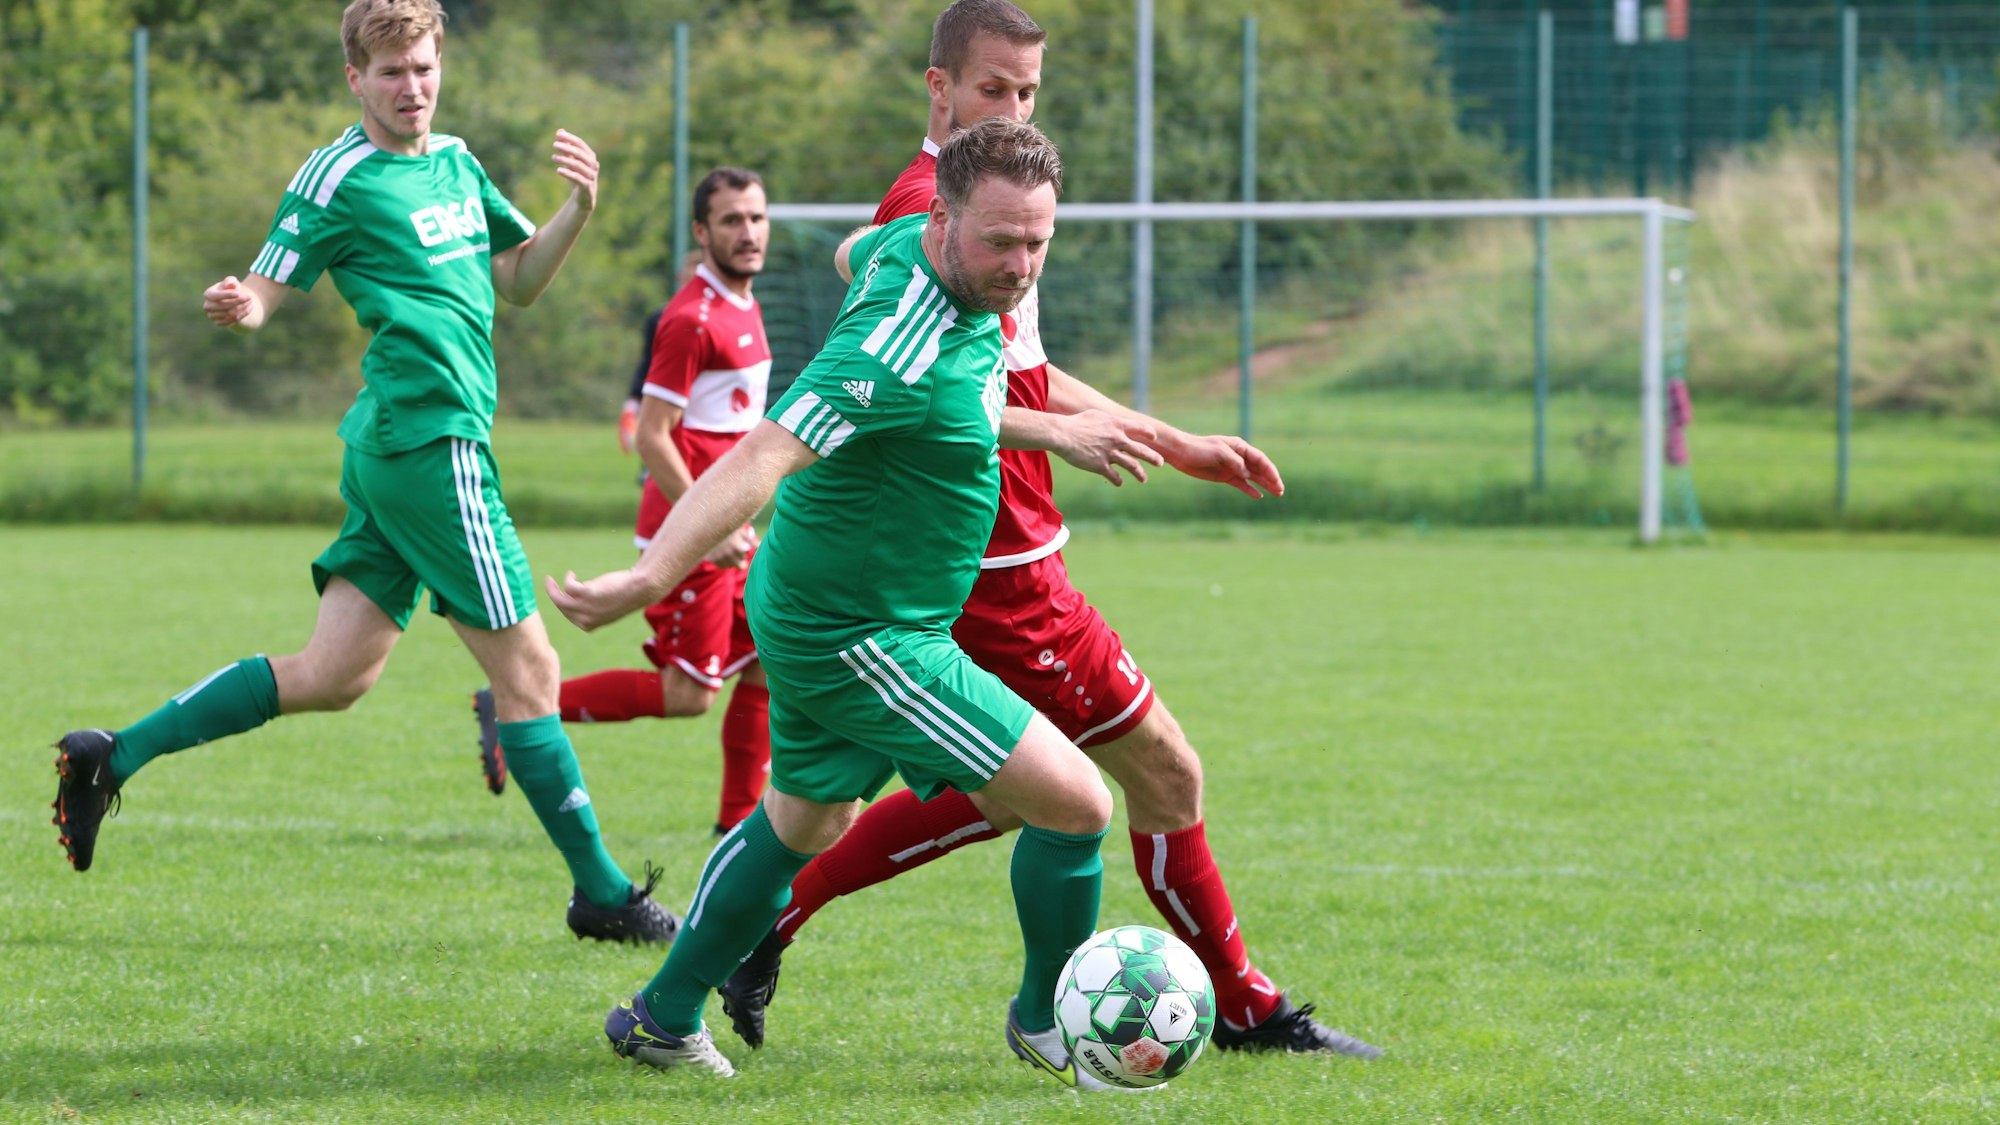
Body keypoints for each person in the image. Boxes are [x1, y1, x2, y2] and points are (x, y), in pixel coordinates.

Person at [715, 0, 1382, 1064]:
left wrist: (1165, 438)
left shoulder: (991, 196)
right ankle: (1238, 1007)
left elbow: (1013, 369)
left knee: (1013, 794)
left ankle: (764, 924)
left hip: (1007, 551)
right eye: (991, 89)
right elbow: (919, 392)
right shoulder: (940, 203)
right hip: (994, 566)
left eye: (1026, 92)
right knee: (1149, 776)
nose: (1012, 109)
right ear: (938, 90)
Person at [48, 0, 677, 947]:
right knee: (533, 671)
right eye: (391, 73)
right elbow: (268, 280)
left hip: (403, 447)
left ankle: (112, 755)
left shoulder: (460, 163)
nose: (411, 88)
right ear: (356, 78)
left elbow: (519, 277)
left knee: (334, 673)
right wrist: (243, 304)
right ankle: (604, 892)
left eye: (423, 68)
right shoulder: (336, 173)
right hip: (432, 446)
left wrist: (577, 210)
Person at [551, 120, 1115, 1083]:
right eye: (1000, 242)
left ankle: (660, 1015)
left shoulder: (913, 255)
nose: (1021, 265)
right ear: (942, 219)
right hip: (866, 633)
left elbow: (872, 267)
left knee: (802, 821)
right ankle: (1046, 1021)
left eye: (1038, 242)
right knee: (1076, 806)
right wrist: (649, 576)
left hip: (823, 605)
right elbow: (767, 450)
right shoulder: (891, 341)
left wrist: (1054, 433)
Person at [476, 169, 775, 836]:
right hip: (689, 529)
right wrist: (708, 523)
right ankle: (516, 708)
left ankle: (735, 828)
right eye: (731, 220)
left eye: (756, 218)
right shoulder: (690, 319)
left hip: (727, 524)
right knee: (685, 694)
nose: (748, 232)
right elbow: (651, 435)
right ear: (701, 233)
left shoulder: (744, 304)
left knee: (767, 662)